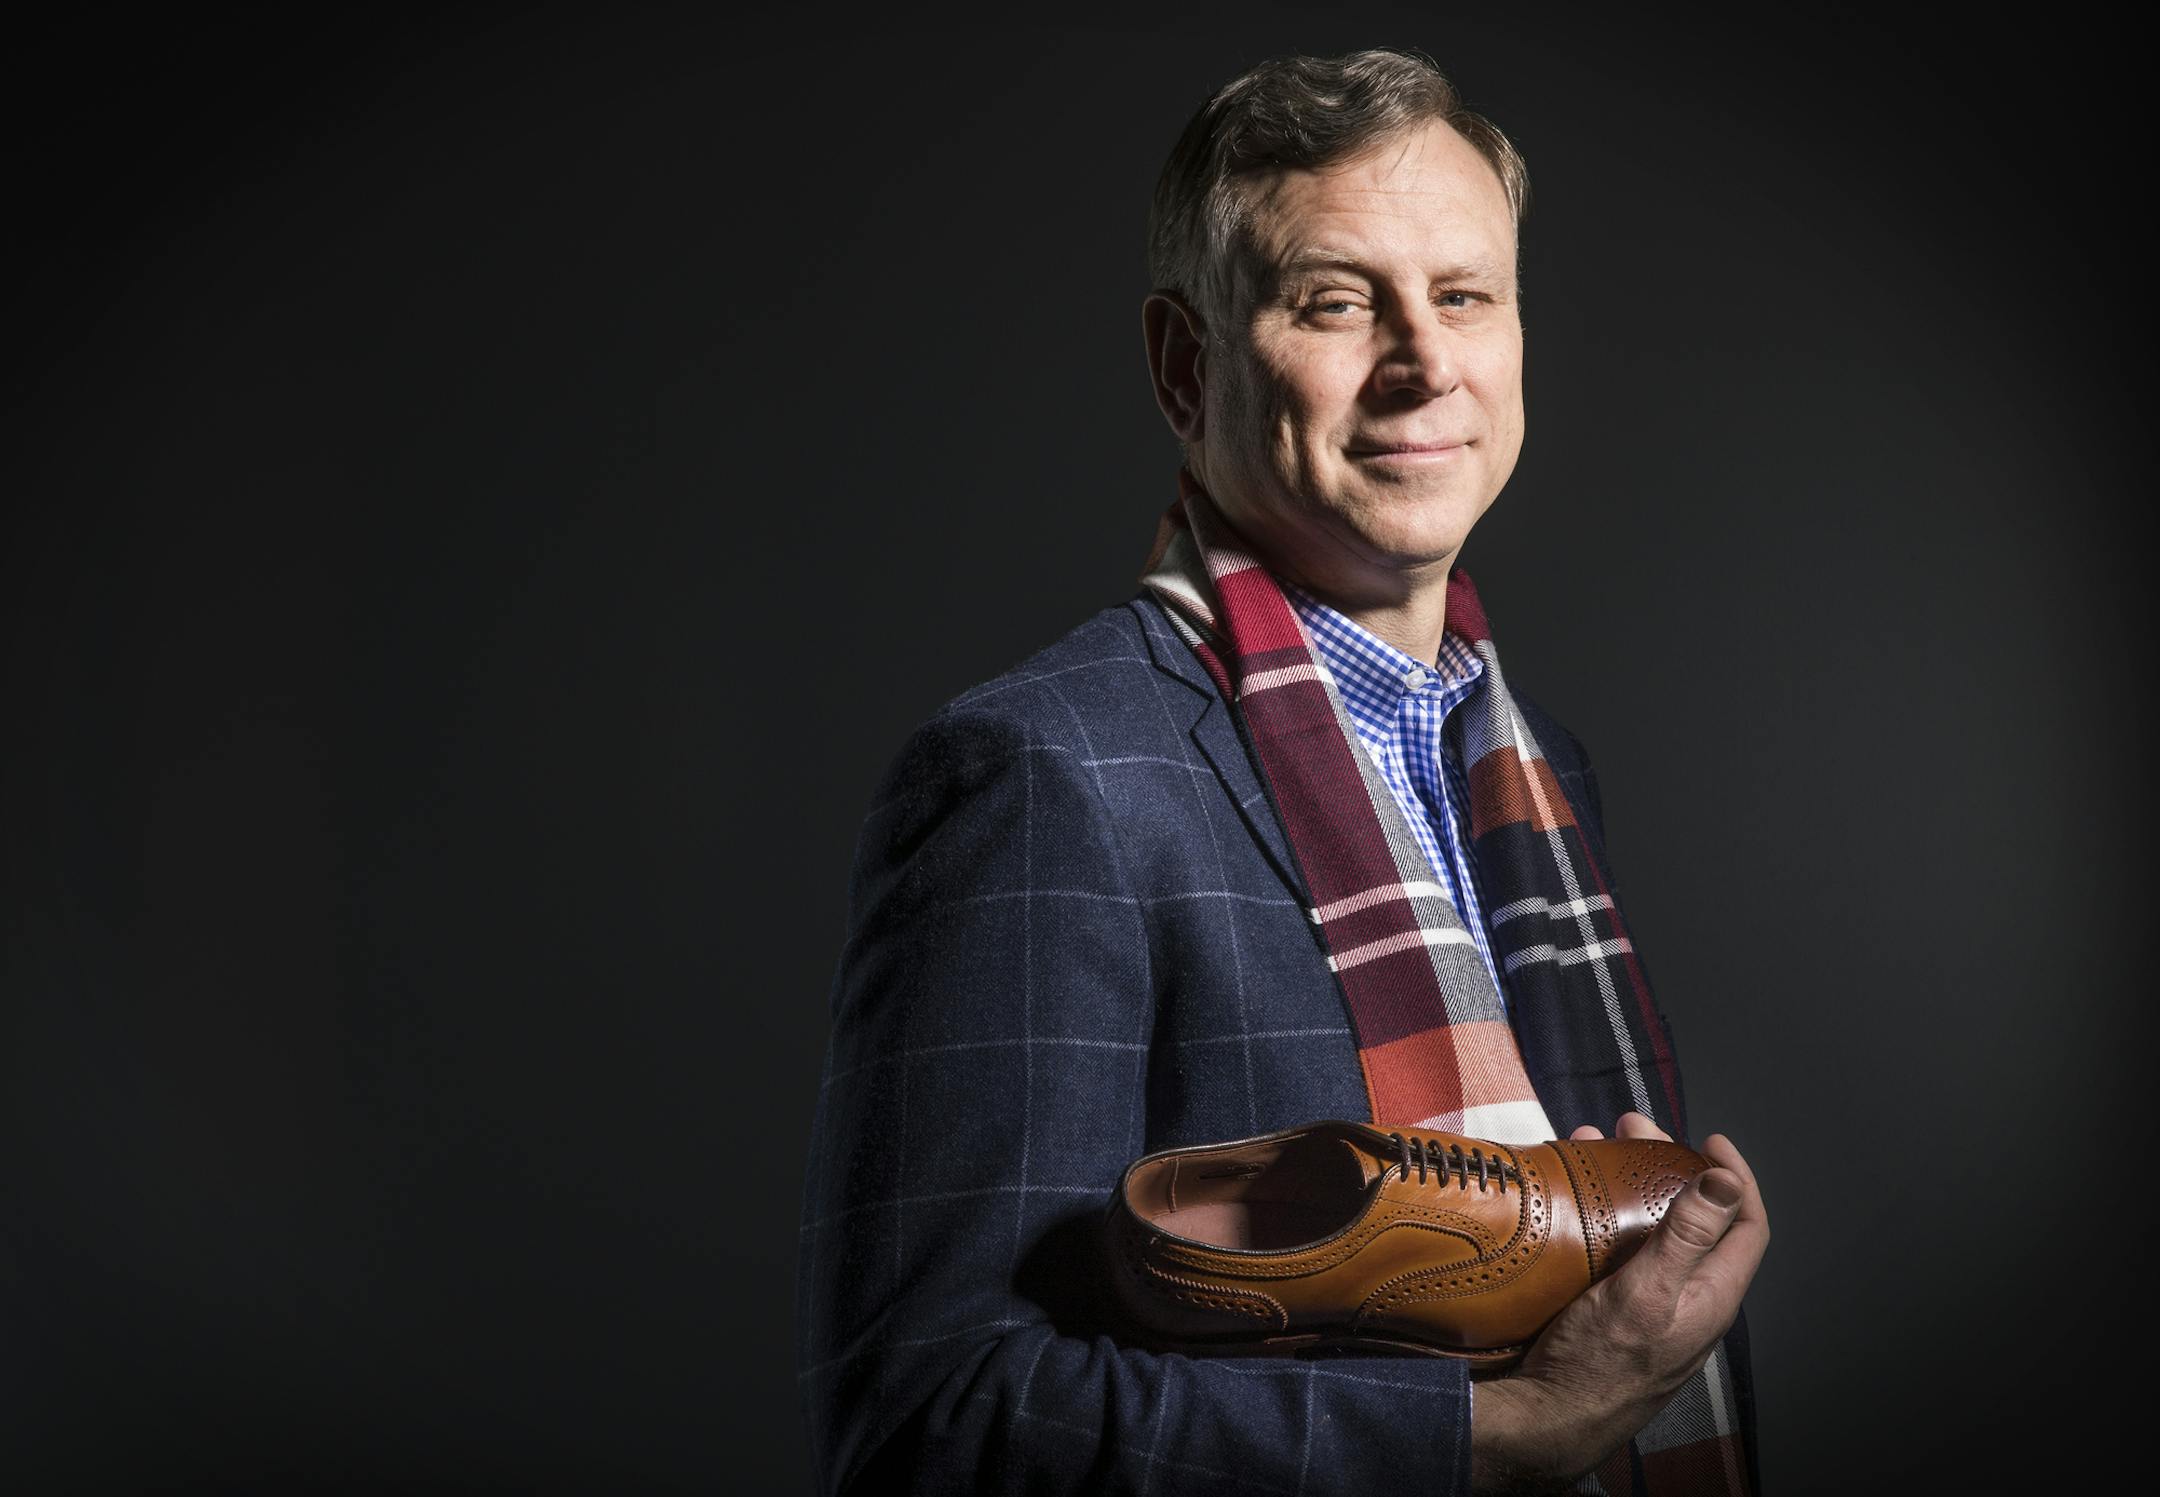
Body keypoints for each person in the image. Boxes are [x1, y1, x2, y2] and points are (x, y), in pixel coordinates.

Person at [797, 47, 1769, 1496]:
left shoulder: (1534, 770)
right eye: (1335, 300)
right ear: (1188, 368)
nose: (1424, 361)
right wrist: (1500, 1436)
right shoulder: (1043, 772)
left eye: (1464, 295)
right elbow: (938, 1421)